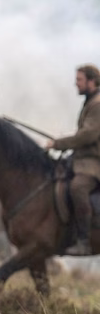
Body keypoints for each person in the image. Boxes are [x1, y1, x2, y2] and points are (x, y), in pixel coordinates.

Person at [45, 64, 100, 256]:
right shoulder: (90, 102)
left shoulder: (97, 104)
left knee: (78, 187)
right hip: (81, 159)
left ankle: (84, 241)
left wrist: (58, 144)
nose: (76, 84)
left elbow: (88, 135)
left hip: (94, 163)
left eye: (79, 80)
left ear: (92, 81)